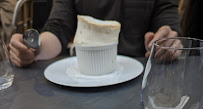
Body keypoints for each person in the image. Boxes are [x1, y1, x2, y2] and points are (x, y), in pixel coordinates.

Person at [9, 0, 181, 67]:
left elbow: (169, 27)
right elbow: (58, 28)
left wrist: (168, 43)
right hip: (83, 80)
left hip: (143, 79)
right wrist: (33, 49)